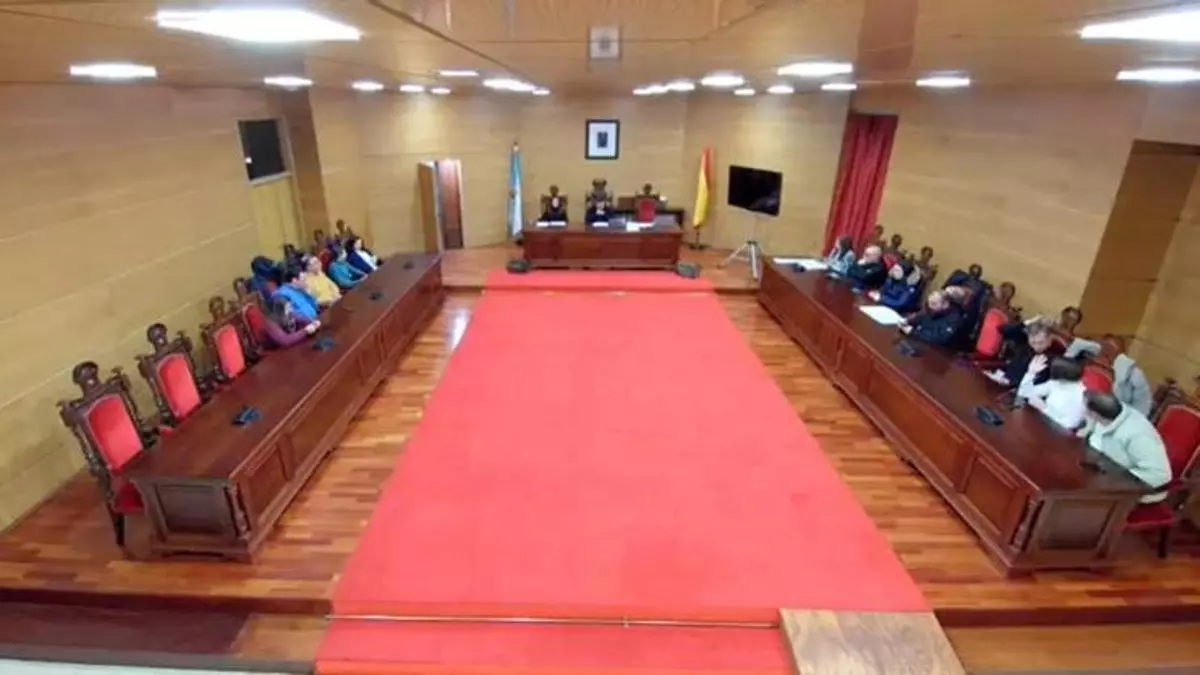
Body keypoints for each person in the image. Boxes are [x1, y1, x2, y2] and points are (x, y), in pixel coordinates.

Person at [1078, 392, 1171, 502]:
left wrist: (1117, 479)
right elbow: (1090, 429)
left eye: (1084, 409)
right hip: (1099, 468)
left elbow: (1159, 475)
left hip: (1132, 491)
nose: (1082, 411)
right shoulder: (1107, 414)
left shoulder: (1138, 437)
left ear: (1094, 414)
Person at [985, 318, 1064, 388]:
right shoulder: (1023, 341)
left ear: (1050, 339)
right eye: (1033, 342)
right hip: (1003, 383)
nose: (1036, 347)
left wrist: (1011, 383)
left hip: (1021, 391)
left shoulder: (1055, 354)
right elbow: (1002, 329)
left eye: (1040, 343)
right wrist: (1026, 323)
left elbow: (1039, 382)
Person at [1018, 355, 1087, 430]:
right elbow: (1024, 393)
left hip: (1057, 432)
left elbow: (1070, 424)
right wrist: (1031, 372)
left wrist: (1044, 408)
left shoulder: (1080, 395)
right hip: (1041, 423)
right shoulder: (1056, 382)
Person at [1102, 335, 1153, 416]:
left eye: (1110, 349)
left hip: (1123, 415)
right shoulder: (1093, 365)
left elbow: (1143, 407)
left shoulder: (1134, 375)